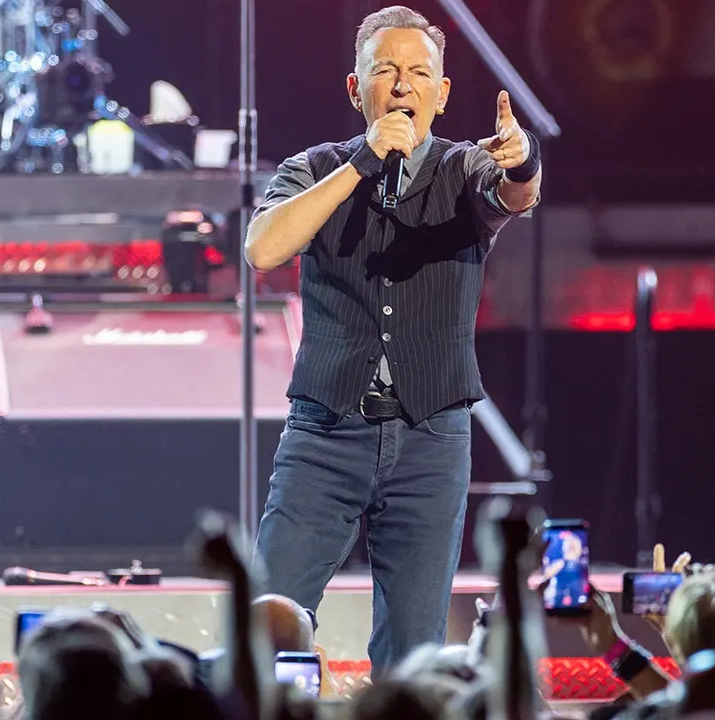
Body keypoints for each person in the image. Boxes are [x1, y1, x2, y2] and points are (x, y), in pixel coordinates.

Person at [245, 4, 542, 673]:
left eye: (419, 73)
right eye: (386, 71)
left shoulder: (466, 169)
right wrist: (362, 162)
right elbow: (262, 248)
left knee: (414, 651)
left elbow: (515, 194)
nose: (404, 84)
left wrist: (525, 160)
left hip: (430, 439)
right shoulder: (315, 167)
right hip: (325, 433)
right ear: (357, 89)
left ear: (443, 92)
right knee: (267, 626)